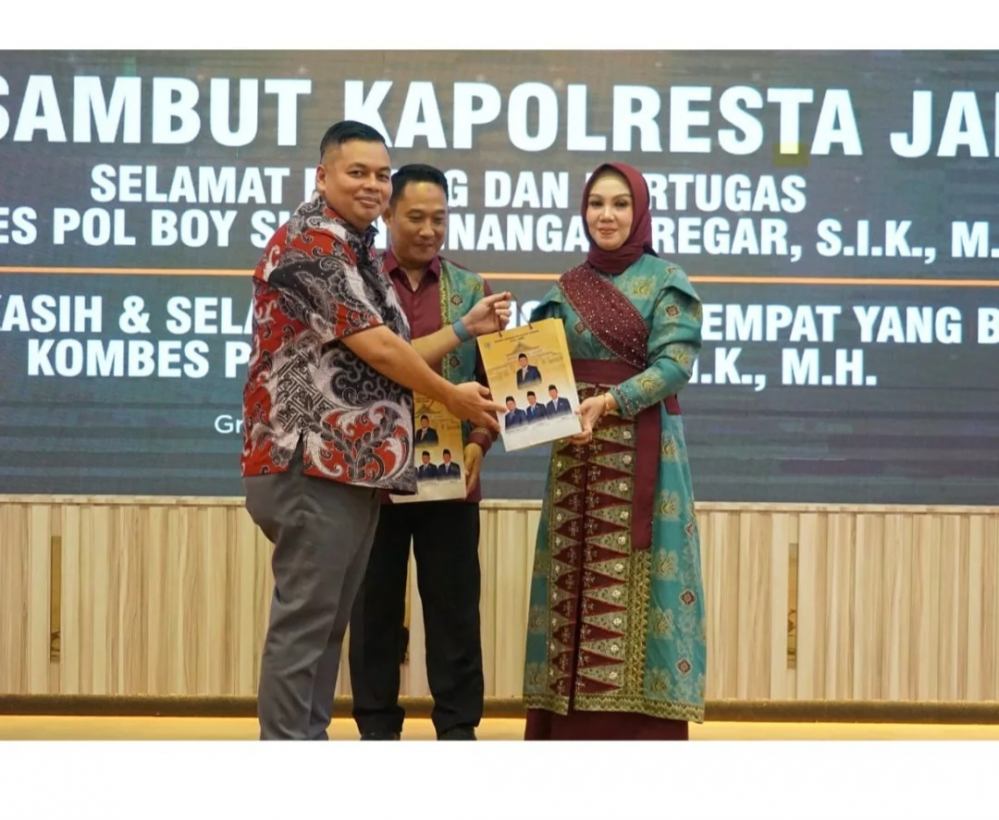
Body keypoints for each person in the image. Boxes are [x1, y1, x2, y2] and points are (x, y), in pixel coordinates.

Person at [241, 123, 508, 741]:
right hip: (309, 460)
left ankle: (306, 744)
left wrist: (462, 334)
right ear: (322, 176)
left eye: (381, 174)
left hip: (352, 467)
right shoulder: (312, 243)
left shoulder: (356, 250)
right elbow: (382, 350)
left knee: (327, 626)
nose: (372, 184)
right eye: (356, 171)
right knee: (306, 627)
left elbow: (396, 350)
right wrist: (451, 396)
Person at [521, 161, 705, 740]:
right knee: (572, 582)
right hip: (577, 455)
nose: (607, 215)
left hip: (646, 453)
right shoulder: (564, 288)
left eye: (621, 204)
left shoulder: (667, 280)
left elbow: (675, 365)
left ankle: (641, 733)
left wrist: (611, 402)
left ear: (640, 211)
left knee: (647, 584)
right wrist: (550, 414)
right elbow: (537, 372)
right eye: (596, 204)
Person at [349, 163, 502, 741]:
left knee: (455, 610)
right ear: (388, 214)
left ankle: (458, 729)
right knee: (374, 610)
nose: (428, 230)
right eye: (415, 217)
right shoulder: (360, 282)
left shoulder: (472, 289)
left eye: (439, 218)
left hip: (451, 479)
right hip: (373, 478)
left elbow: (495, 380)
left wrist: (481, 442)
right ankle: (376, 728)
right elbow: (377, 360)